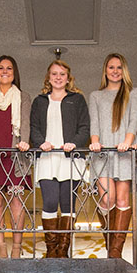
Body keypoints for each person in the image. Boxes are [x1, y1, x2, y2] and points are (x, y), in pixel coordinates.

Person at [31, 59, 89, 258]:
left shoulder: (77, 99)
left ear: (68, 78)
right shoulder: (39, 101)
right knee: (49, 201)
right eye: (54, 73)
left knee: (67, 204)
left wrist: (74, 142)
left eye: (62, 74)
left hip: (70, 159)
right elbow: (34, 128)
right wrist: (41, 142)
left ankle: (63, 251)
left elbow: (84, 128)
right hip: (47, 159)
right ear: (48, 77)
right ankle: (51, 250)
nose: (58, 77)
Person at [88, 53, 137, 258]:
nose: (115, 71)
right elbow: (95, 122)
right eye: (111, 67)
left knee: (121, 200)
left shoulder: (132, 93)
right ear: (105, 70)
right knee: (106, 198)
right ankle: (112, 248)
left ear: (124, 70)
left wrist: (128, 142)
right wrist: (94, 141)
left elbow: (134, 119)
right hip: (102, 153)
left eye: (119, 67)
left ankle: (115, 254)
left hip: (124, 151)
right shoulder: (96, 95)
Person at [0, 55, 32, 258]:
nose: (5, 71)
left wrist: (24, 141)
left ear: (14, 73)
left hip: (16, 154)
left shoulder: (23, 96)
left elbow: (25, 122)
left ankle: (17, 248)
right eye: (1, 68)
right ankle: (0, 245)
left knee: (17, 200)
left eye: (9, 68)